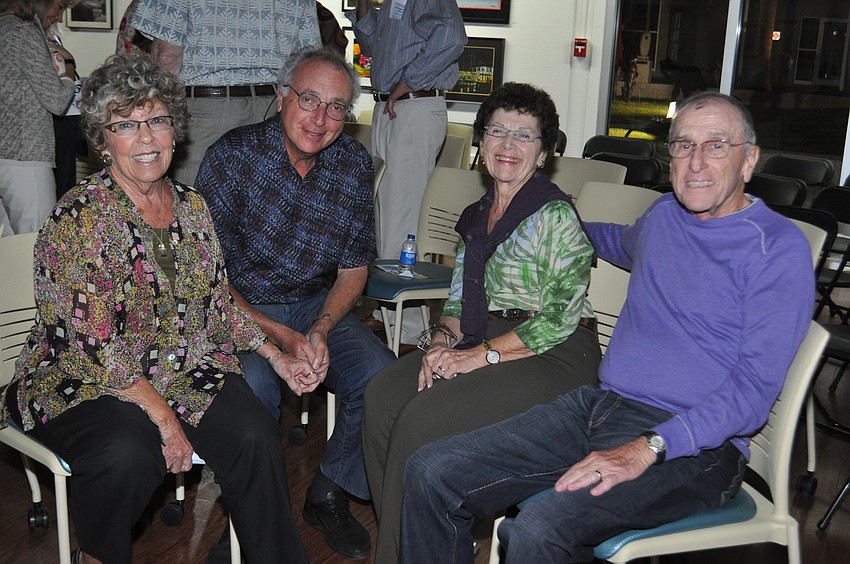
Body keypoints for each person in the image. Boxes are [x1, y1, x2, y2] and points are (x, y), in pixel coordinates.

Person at [398, 92, 815, 562]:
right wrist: (541, 225)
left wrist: (649, 446)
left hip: (695, 446)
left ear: (749, 160)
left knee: (538, 530)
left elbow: (751, 395)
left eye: (716, 145)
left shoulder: (778, 251)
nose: (696, 162)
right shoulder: (665, 215)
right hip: (601, 405)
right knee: (431, 471)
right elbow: (612, 240)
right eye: (683, 145)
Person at [0, 53, 310, 564]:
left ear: (174, 131)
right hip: (80, 377)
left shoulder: (192, 206)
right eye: (126, 124)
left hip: (178, 368)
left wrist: (276, 357)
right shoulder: (79, 218)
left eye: (157, 120)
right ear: (102, 141)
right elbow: (93, 345)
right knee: (130, 451)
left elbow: (217, 303)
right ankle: (96, 555)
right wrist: (166, 419)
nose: (145, 138)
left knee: (255, 434)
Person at [362, 82, 600, 563]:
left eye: (524, 135)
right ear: (481, 140)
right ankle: (415, 545)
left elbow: (559, 317)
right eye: (497, 131)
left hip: (555, 352)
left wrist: (476, 357)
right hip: (485, 337)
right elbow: (457, 301)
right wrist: (439, 343)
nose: (508, 145)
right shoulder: (476, 216)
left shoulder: (554, 215)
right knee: (382, 396)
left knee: (420, 419)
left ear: (544, 152)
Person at [195, 46, 396, 561]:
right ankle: (246, 523)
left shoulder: (352, 164)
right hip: (239, 309)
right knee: (256, 391)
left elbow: (354, 269)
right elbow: (208, 277)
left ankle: (328, 491)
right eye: (309, 99)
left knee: (380, 377)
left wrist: (322, 327)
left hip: (313, 305)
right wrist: (280, 336)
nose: (320, 118)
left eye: (336, 107)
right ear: (282, 96)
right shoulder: (232, 157)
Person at [347, 0, 466, 343]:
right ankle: (389, 315)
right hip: (391, 106)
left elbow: (452, 36)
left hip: (413, 105)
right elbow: (375, 48)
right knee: (384, 219)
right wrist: (364, 6)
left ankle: (409, 331)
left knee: (401, 219)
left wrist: (408, 81)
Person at [129, 0, 321, 186]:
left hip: (204, 113)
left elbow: (167, 54)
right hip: (274, 108)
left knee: (195, 200)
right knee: (265, 198)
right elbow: (309, 58)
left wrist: (160, 115)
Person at [0, 0, 76, 235]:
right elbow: (57, 100)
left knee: (8, 247)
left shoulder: (4, 26)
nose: (60, 17)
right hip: (26, 156)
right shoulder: (24, 32)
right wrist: (69, 68)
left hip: (7, 155)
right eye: (60, 6)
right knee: (37, 243)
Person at [47, 24, 85, 198]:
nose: (60, 18)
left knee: (65, 177)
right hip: (57, 118)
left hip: (66, 118)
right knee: (61, 179)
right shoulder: (39, 40)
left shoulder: (52, 38)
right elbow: (60, 88)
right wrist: (69, 62)